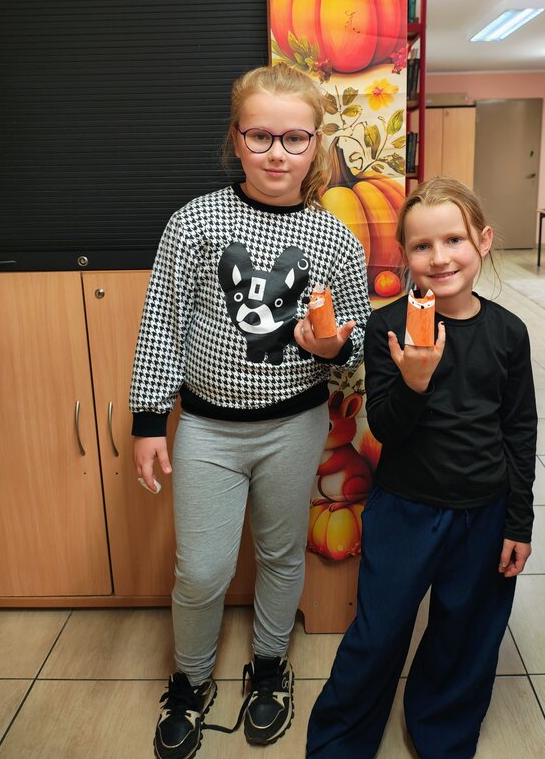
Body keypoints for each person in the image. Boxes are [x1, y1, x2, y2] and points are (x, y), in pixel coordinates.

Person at [129, 63, 371, 759]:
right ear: (236, 138)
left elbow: (356, 341)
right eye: (260, 136)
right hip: (208, 429)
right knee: (202, 570)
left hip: (295, 426)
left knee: (279, 553)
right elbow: (163, 322)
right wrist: (149, 421)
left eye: (294, 138)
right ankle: (190, 679)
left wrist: (334, 345)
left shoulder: (335, 239)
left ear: (316, 143)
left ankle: (268, 665)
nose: (276, 153)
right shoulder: (195, 223)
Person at [307, 176, 537, 758]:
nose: (439, 258)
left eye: (453, 240)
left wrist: (518, 521)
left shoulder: (509, 333)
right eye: (421, 246)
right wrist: (414, 381)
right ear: (404, 255)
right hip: (405, 511)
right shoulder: (387, 327)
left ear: (483, 241)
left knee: (465, 634)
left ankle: (442, 734)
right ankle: (339, 741)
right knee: (378, 633)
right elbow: (386, 427)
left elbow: (519, 431)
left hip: (483, 513)